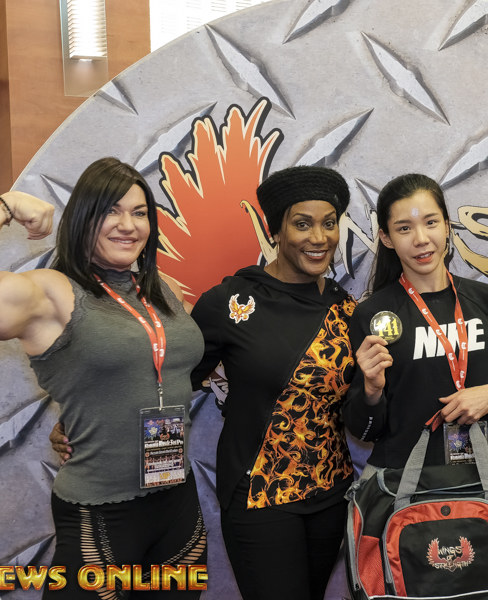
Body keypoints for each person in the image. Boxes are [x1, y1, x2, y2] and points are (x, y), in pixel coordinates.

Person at [0, 157, 207, 598]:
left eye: (139, 212)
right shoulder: (53, 291)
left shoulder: (160, 288)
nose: (128, 225)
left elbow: (152, 369)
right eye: (110, 211)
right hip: (102, 512)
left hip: (177, 500)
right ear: (82, 218)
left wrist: (90, 414)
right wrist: (4, 207)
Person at [188, 166, 357, 600]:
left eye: (329, 223)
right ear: (275, 231)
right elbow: (171, 380)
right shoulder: (230, 302)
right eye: (302, 224)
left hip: (330, 493)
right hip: (259, 495)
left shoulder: (346, 309)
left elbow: (361, 407)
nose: (318, 237)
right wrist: (95, 418)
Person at [343, 173, 488, 475]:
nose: (421, 239)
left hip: (484, 482)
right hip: (403, 485)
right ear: (386, 238)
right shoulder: (373, 315)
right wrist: (372, 390)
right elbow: (364, 430)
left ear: (447, 226)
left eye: (430, 222)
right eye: (404, 228)